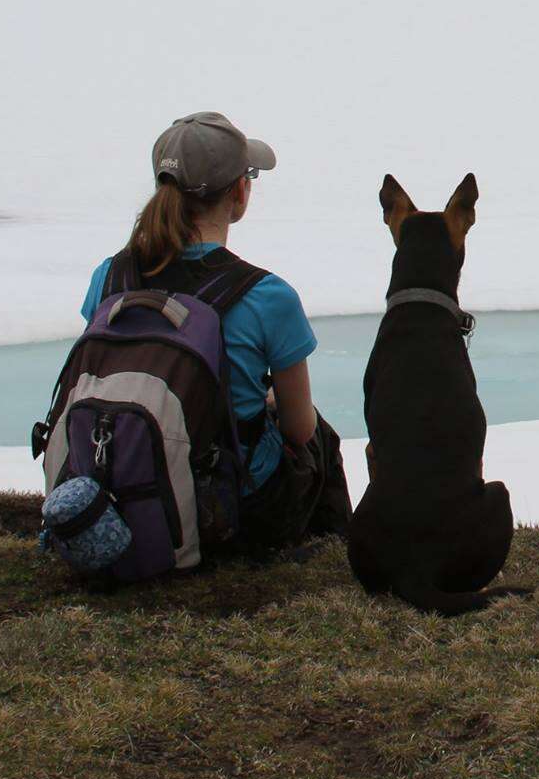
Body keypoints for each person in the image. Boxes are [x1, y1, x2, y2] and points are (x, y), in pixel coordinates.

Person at [79, 111, 350, 552]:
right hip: (225, 514)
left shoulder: (109, 277)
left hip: (121, 488)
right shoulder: (267, 296)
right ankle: (332, 546)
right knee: (317, 432)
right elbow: (298, 430)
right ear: (240, 193)